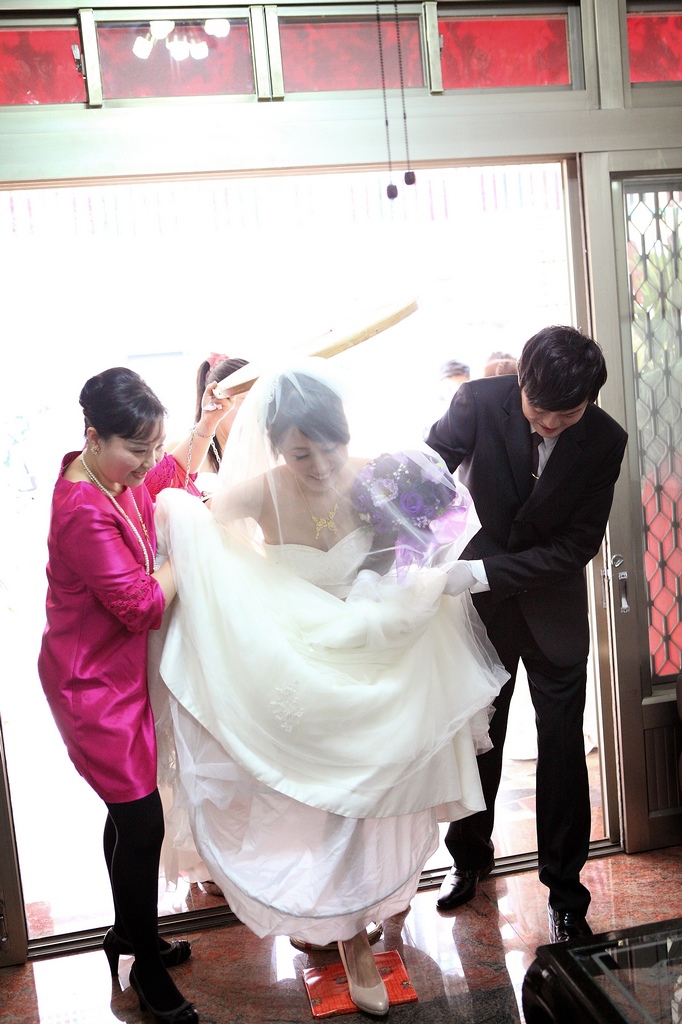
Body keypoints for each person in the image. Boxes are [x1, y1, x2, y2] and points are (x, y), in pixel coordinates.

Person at [150, 360, 508, 1017]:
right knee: (329, 806)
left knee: (379, 796)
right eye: (299, 454)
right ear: (276, 447)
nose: (318, 466)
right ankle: (349, 940)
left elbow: (437, 528)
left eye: (330, 449)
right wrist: (197, 438)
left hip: (375, 655)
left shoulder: (378, 475)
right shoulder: (256, 492)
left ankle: (365, 912)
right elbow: (188, 522)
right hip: (305, 662)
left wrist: (409, 579)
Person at [426, 325, 628, 943]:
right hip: (480, 613)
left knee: (562, 751)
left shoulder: (605, 440)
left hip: (551, 609)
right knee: (480, 738)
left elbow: (575, 547)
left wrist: (484, 572)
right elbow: (423, 475)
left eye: (566, 416)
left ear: (590, 400)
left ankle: (566, 895)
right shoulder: (476, 403)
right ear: (519, 384)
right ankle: (469, 859)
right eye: (539, 413)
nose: (550, 426)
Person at [37, 367, 200, 1024]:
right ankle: (146, 971)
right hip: (89, 686)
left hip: (119, 673)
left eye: (154, 445)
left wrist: (206, 425)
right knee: (142, 821)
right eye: (137, 448)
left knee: (127, 814)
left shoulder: (111, 476)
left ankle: (128, 935)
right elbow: (139, 605)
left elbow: (160, 483)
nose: (149, 461)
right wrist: (188, 556)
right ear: (93, 435)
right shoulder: (81, 508)